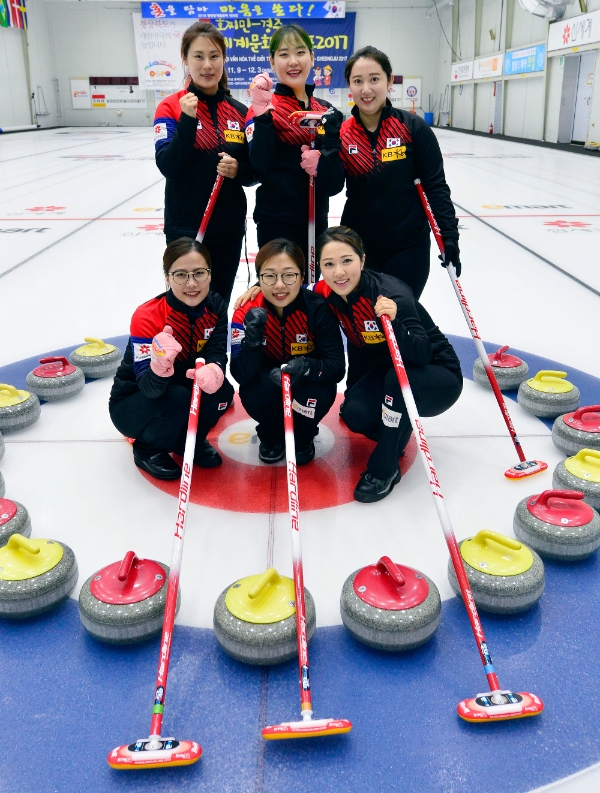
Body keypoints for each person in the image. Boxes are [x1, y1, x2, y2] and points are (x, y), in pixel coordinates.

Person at [315, 226, 463, 503]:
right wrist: (256, 296)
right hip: (389, 373)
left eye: (347, 261)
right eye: (329, 264)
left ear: (362, 259)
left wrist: (393, 324)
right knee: (356, 414)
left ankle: (384, 469)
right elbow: (292, 292)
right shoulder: (327, 292)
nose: (339, 272)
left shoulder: (390, 295)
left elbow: (421, 353)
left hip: (435, 375)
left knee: (397, 382)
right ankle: (399, 426)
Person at [338, 46, 460, 299]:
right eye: (357, 81)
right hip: (357, 248)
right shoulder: (342, 133)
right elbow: (331, 185)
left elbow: (436, 187)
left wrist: (449, 236)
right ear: (349, 85)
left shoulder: (412, 128)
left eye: (374, 79)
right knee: (363, 328)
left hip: (408, 247)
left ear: (389, 80)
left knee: (402, 321)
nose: (366, 89)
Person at [109, 238, 234, 480]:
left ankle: (189, 441)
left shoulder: (216, 306)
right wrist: (158, 366)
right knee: (178, 398)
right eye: (180, 275)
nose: (191, 283)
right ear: (167, 277)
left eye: (199, 273)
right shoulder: (148, 316)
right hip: (135, 401)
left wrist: (216, 369)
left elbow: (217, 351)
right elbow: (148, 388)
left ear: (209, 274)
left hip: (183, 387)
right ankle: (147, 449)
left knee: (222, 393)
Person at [153, 21, 255, 303]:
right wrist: (187, 120)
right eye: (198, 56)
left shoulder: (239, 111)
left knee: (219, 299)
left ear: (223, 59)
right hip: (185, 227)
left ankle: (216, 349)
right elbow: (168, 166)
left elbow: (253, 172)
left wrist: (238, 170)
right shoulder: (171, 107)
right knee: (186, 300)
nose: (207, 65)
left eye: (214, 56)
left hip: (228, 228)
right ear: (185, 59)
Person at [230, 238, 345, 465]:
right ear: (258, 279)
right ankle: (270, 436)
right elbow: (240, 375)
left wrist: (307, 367)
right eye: (270, 276)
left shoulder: (318, 308)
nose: (279, 285)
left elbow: (336, 368)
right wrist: (252, 342)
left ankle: (303, 435)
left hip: (307, 381)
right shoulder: (247, 310)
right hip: (266, 381)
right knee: (256, 390)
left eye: (289, 275)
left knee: (316, 392)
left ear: (302, 277)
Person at [245, 23, 344, 274]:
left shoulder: (326, 111)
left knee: (310, 298)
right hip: (276, 223)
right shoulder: (264, 107)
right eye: (283, 54)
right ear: (272, 61)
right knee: (280, 297)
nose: (293, 61)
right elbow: (260, 165)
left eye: (300, 52)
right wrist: (263, 118)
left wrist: (325, 157)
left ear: (312, 58)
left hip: (315, 222)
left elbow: (333, 186)